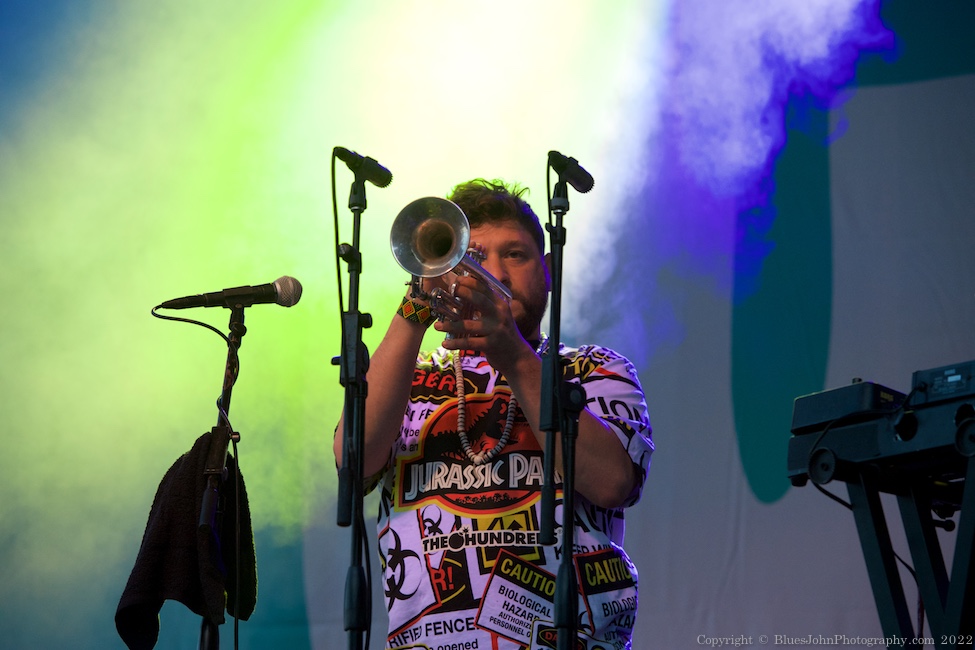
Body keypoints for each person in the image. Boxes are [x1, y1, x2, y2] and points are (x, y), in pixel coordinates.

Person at [334, 178, 653, 649]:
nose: (497, 274)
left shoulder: (593, 369)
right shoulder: (412, 378)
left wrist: (515, 357)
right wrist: (413, 309)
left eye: (516, 255)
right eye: (475, 257)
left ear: (547, 270)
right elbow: (353, 463)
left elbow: (614, 482)